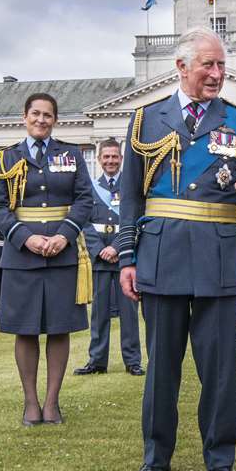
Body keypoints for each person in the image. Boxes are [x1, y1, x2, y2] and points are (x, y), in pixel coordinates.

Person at [117, 28, 236, 471]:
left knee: (220, 371)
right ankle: (155, 457)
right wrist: (128, 256)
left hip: (219, 259)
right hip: (161, 255)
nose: (217, 73)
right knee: (161, 369)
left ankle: (220, 461)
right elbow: (131, 197)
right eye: (208, 64)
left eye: (222, 65)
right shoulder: (145, 120)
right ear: (181, 67)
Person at [0, 93, 95, 425]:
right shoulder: (6, 159)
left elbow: (84, 199)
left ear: (55, 120)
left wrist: (64, 234)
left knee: (59, 328)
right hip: (22, 256)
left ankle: (52, 403)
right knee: (26, 329)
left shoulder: (71, 154)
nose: (41, 120)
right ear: (25, 116)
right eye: (36, 113)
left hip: (61, 254)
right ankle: (30, 403)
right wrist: (26, 237)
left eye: (48, 115)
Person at [75, 138, 144, 378]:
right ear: (99, 159)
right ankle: (97, 360)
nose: (110, 161)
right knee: (99, 315)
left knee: (129, 314)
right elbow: (84, 223)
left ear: (121, 159)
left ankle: (133, 361)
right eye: (106, 157)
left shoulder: (131, 187)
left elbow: (135, 219)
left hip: (125, 258)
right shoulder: (91, 188)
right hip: (100, 261)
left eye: (115, 156)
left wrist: (116, 247)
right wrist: (99, 250)